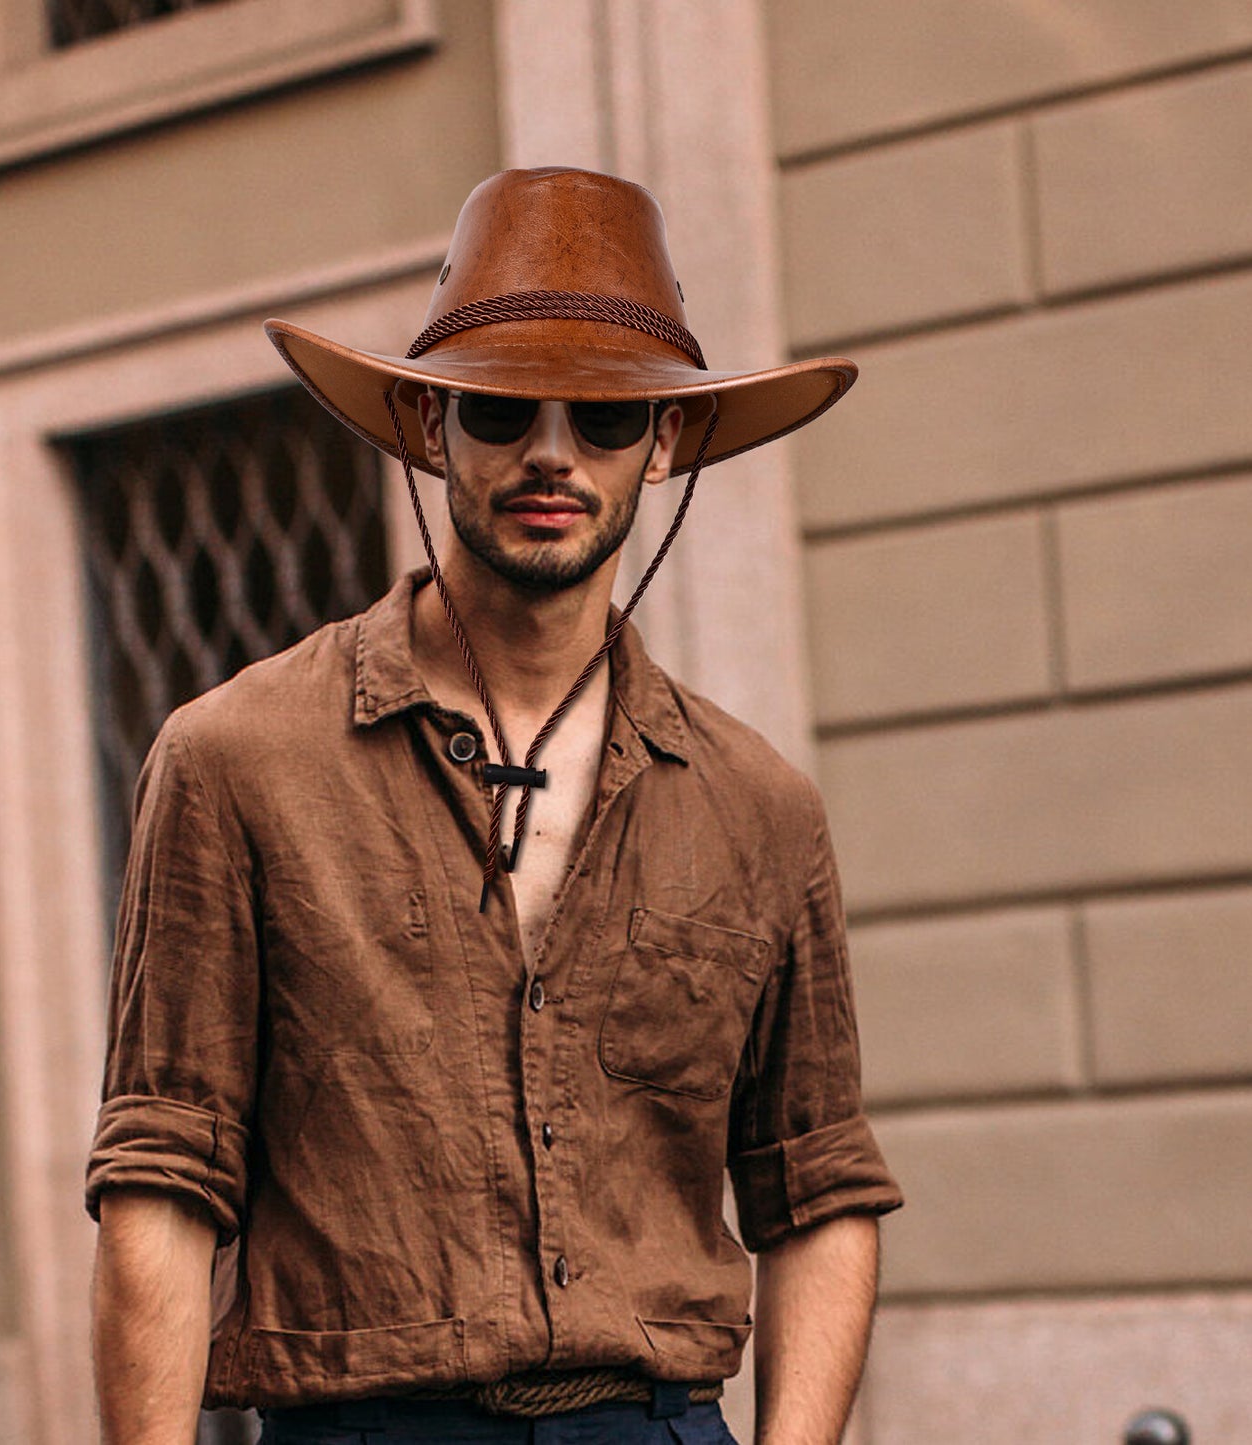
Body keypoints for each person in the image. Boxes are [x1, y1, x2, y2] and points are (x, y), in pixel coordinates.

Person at [87, 167, 903, 1445]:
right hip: (362, 1422)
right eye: (501, 409)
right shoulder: (234, 756)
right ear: (427, 423)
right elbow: (163, 1174)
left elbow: (816, 1186)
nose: (550, 453)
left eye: (605, 419)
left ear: (669, 442)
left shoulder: (759, 807)